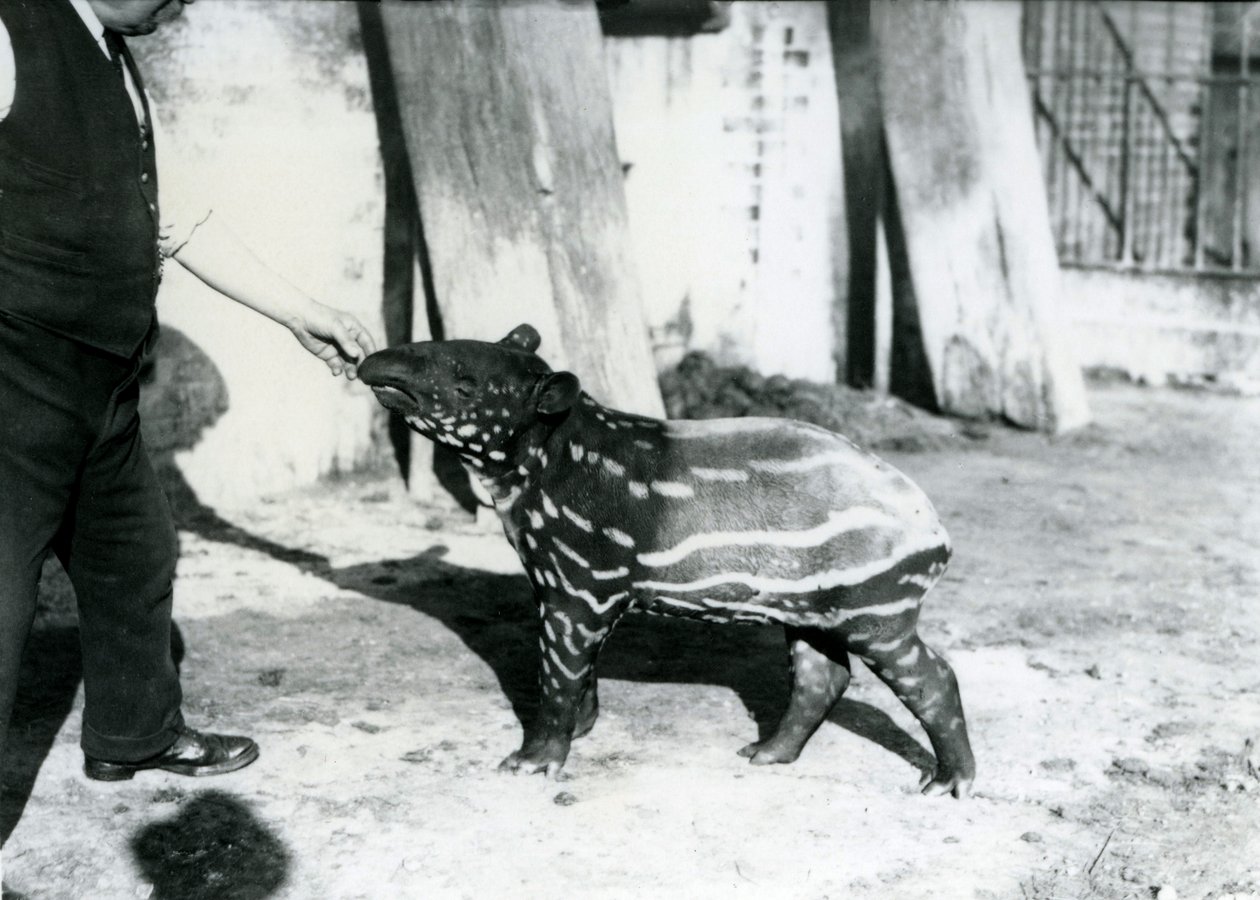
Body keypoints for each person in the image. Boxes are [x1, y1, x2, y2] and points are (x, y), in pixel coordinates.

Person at [0, 0, 378, 799]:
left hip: (102, 384)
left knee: (133, 554)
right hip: (15, 382)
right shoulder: (11, 26)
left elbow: (174, 220)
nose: (180, 6)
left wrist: (304, 315)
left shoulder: (114, 57)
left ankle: (134, 734)